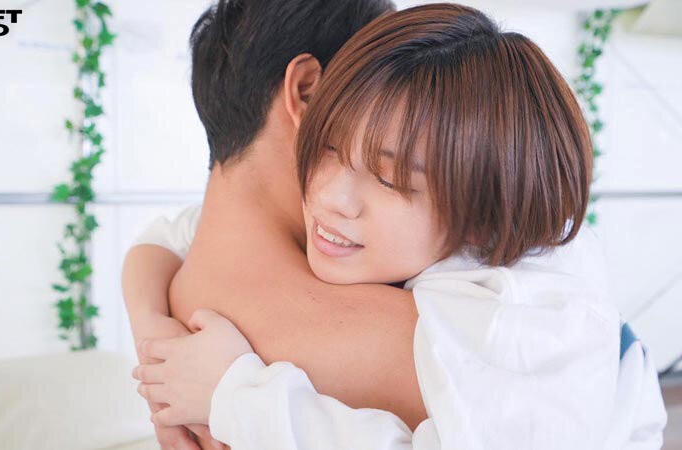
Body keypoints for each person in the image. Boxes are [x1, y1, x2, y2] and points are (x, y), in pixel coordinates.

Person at [130, 3, 668, 449]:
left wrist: (234, 394)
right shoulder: (386, 286)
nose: (331, 197)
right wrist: (151, 329)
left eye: (389, 178)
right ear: (310, 93)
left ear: (479, 219)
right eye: (332, 146)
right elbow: (165, 235)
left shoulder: (497, 325)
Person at [120, 1, 431, 449]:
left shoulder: (176, 291)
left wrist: (147, 319)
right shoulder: (414, 339)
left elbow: (164, 235)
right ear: (307, 91)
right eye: (381, 91)